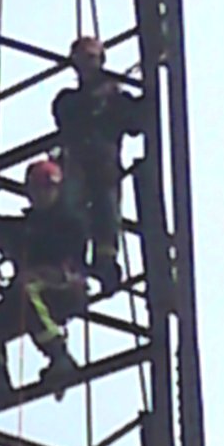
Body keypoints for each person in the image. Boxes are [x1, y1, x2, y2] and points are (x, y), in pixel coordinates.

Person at [0, 159, 88, 397]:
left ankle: (59, 356)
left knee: (28, 287)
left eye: (47, 188)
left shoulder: (70, 221)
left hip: (64, 288)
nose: (41, 194)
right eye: (37, 188)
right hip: (28, 296)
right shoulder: (26, 226)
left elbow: (72, 260)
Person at [52, 36, 143, 292]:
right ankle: (74, 263)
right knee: (74, 210)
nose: (87, 64)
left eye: (91, 57)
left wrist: (124, 98)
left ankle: (105, 261)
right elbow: (65, 116)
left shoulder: (114, 98)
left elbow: (136, 122)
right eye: (83, 58)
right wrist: (99, 98)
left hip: (103, 168)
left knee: (105, 208)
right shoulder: (69, 100)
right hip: (78, 165)